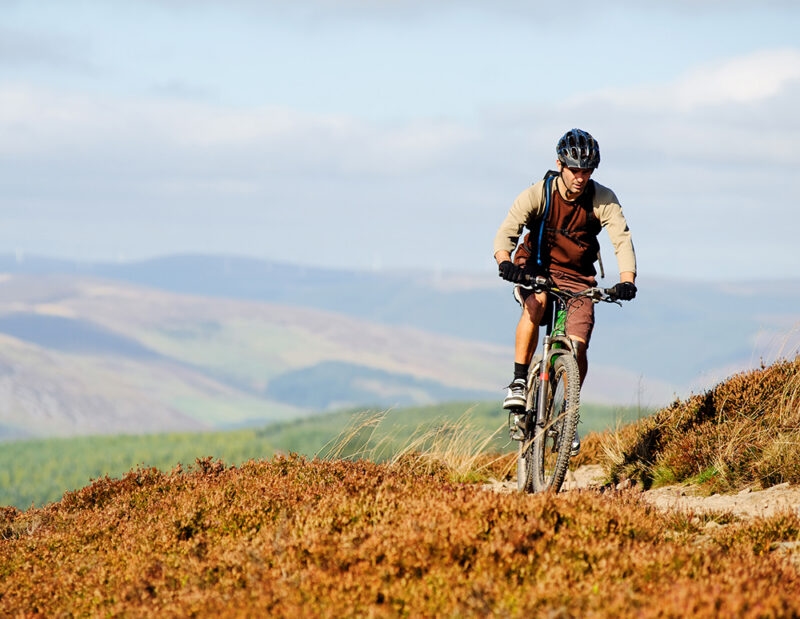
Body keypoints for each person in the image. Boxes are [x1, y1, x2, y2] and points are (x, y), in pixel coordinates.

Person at [493, 128, 637, 420]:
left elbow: (621, 239)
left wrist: (627, 280)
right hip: (535, 267)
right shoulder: (540, 193)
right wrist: (505, 262)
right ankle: (519, 380)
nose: (580, 177)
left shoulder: (602, 198)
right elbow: (508, 229)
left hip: (578, 277)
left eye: (586, 171)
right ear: (560, 166)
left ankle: (567, 413)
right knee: (538, 303)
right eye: (574, 170)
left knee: (578, 346)